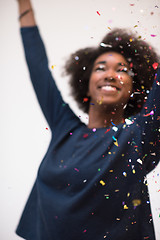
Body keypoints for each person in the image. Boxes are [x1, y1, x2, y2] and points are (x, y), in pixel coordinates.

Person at [16, 0, 160, 239]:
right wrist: (23, 5)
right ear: (86, 84)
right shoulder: (65, 129)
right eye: (101, 67)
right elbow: (37, 65)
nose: (111, 75)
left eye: (122, 70)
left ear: (135, 89)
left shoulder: (138, 136)